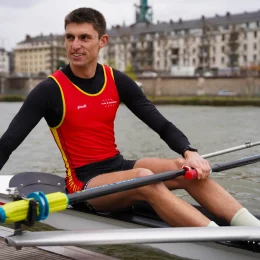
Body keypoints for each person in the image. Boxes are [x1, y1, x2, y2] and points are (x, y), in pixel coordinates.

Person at [0, 7, 259, 228]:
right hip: (85, 184)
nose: (75, 45)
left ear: (102, 41)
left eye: (84, 37)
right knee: (144, 177)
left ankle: (250, 227)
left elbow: (158, 122)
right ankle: (218, 236)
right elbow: (8, 142)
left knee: (186, 169)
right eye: (70, 37)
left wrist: (190, 151)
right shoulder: (49, 90)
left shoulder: (116, 80)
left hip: (118, 165)